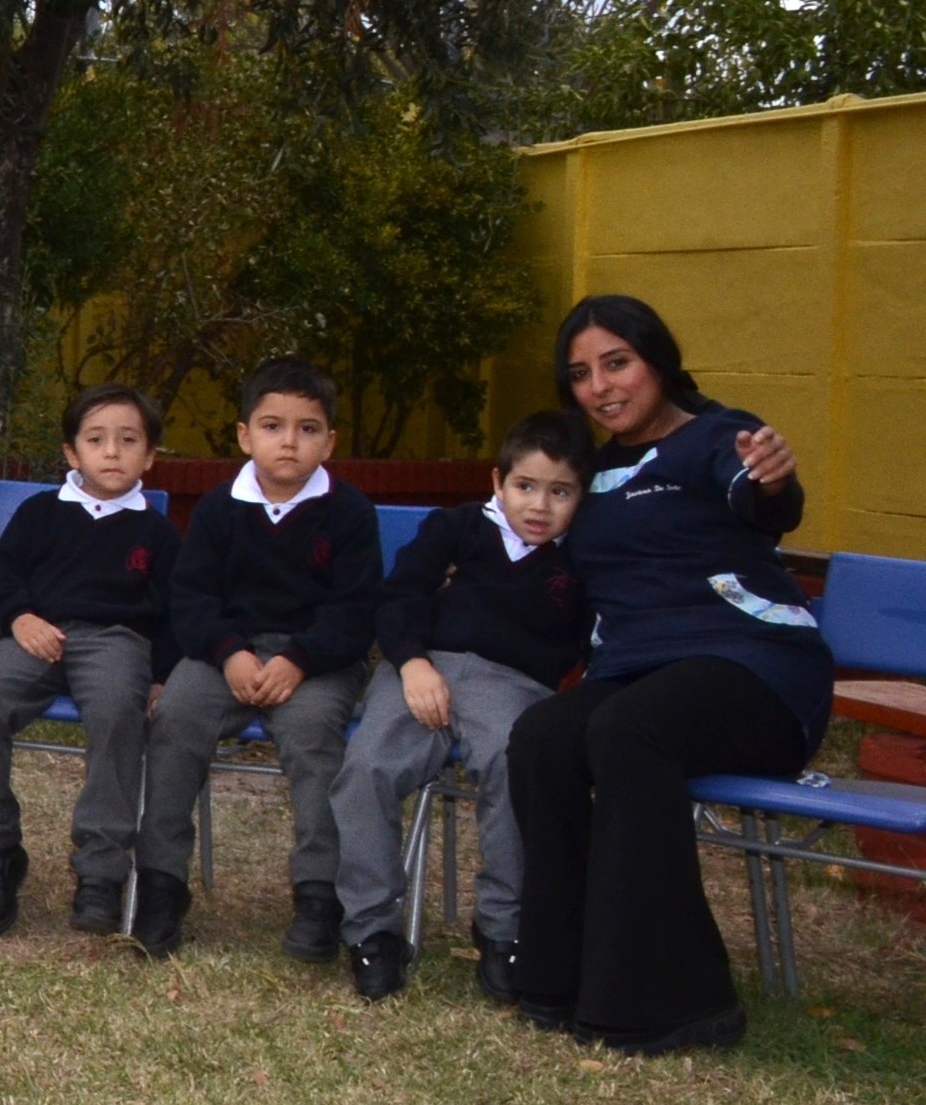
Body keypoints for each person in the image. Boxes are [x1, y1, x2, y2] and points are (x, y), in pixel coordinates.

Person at [509, 295, 826, 1053]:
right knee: (544, 735)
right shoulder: (587, 469)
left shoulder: (716, 437)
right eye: (581, 374)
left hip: (757, 669)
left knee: (628, 731)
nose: (602, 387)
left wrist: (772, 480)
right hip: (638, 671)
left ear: (657, 358)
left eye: (617, 362)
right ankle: (560, 977)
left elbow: (761, 497)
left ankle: (676, 1002)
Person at [335, 410, 591, 1001]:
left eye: (560, 493)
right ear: (497, 481)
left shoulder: (579, 563)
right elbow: (399, 595)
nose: (539, 506)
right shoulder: (456, 528)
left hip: (513, 686)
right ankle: (371, 930)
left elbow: (583, 641)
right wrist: (413, 661)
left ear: (581, 499)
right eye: (525, 486)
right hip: (422, 668)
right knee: (366, 767)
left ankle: (505, 930)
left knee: (513, 766)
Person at [136, 357, 382, 961]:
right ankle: (162, 883)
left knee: (312, 736)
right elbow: (190, 598)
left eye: (307, 428)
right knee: (176, 720)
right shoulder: (220, 509)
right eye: (272, 426)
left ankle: (319, 893)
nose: (289, 442)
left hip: (316, 662)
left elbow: (356, 610)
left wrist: (299, 659)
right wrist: (229, 654)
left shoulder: (348, 512)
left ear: (330, 440)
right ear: (245, 435)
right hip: (227, 655)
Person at [0, 384, 178, 937]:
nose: (112, 452)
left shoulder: (157, 530)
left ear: (148, 455)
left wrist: (163, 672)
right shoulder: (39, 513)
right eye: (96, 440)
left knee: (117, 712)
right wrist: (20, 617)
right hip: (35, 630)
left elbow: (177, 607)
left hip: (117, 640)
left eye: (128, 441)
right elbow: (1, 576)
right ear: (72, 453)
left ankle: (101, 871)